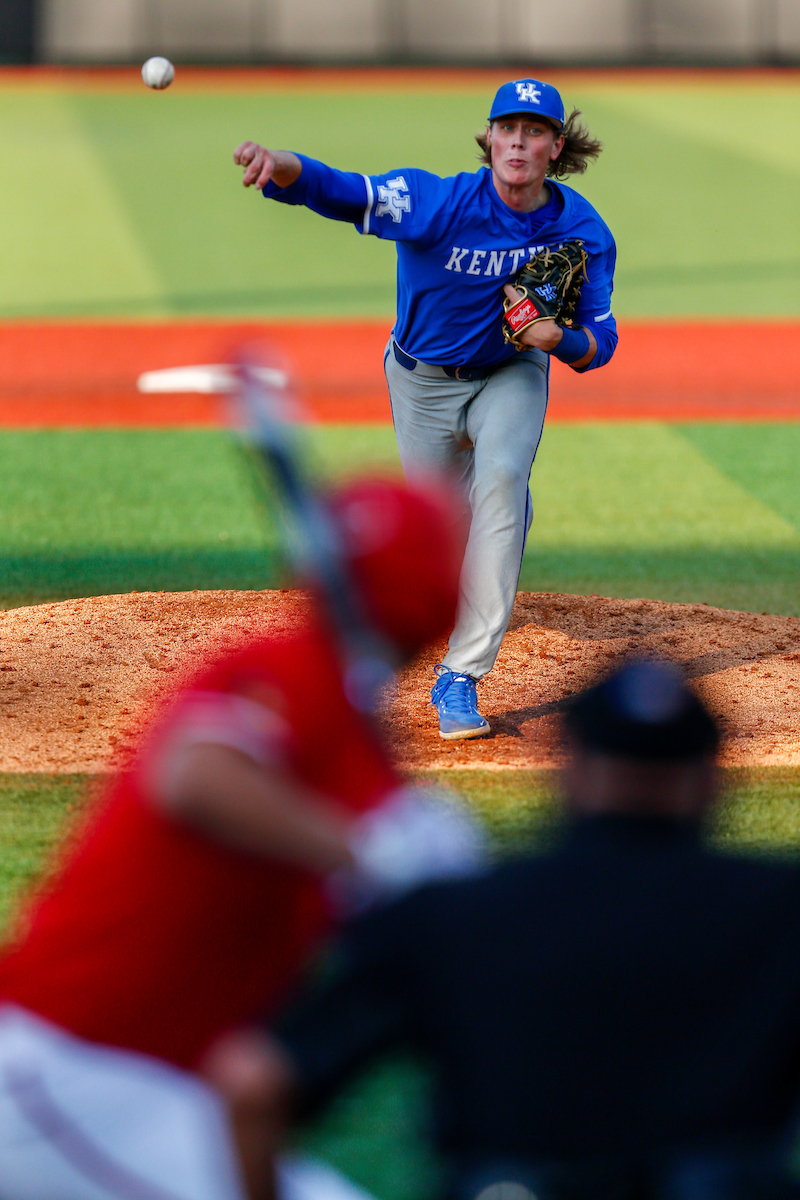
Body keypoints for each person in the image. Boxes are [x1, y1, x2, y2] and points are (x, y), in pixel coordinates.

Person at [0, 476, 485, 1200]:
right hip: (67, 1070)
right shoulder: (292, 667)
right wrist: (365, 851)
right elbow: (193, 774)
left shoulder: (356, 735)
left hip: (145, 1086)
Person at [210, 659, 800, 1200]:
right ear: (710, 778)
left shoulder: (451, 916)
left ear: (569, 771)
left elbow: (253, 1085)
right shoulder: (781, 912)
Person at [233, 78, 617, 741]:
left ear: (557, 145)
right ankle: (392, 636)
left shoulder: (581, 230)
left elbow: (601, 340)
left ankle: (460, 675)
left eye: (534, 130)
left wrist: (563, 341)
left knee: (502, 482)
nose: (519, 141)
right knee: (435, 525)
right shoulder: (437, 202)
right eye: (508, 128)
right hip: (422, 382)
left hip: (512, 372)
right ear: (489, 139)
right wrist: (282, 168)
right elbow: (340, 188)